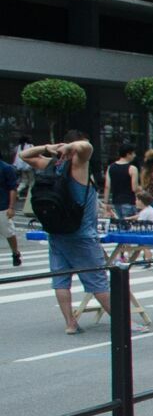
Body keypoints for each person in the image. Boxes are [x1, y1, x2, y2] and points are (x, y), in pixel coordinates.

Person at [18, 133, 134, 334]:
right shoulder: (78, 167)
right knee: (98, 281)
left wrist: (49, 146)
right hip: (81, 234)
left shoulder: (51, 166)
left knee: (61, 279)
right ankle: (124, 323)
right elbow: (87, 147)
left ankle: (70, 323)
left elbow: (25, 155)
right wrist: (69, 146)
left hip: (55, 232)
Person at [0, 151, 20, 267]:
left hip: (2, 206)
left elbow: (12, 188)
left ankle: (15, 252)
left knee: (8, 232)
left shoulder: (6, 168)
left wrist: (11, 207)